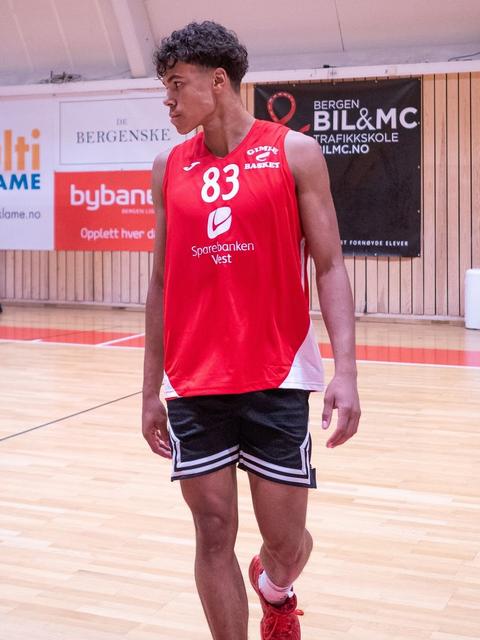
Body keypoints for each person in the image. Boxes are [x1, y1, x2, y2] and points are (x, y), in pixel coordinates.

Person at [142, 21, 360, 640]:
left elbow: (330, 266)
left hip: (278, 375)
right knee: (212, 532)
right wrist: (150, 389)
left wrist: (345, 372)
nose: (168, 100)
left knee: (285, 542)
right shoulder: (167, 167)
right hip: (194, 381)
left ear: (218, 81)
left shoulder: (295, 153)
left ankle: (276, 586)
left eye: (176, 84)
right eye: (165, 87)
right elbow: (160, 283)